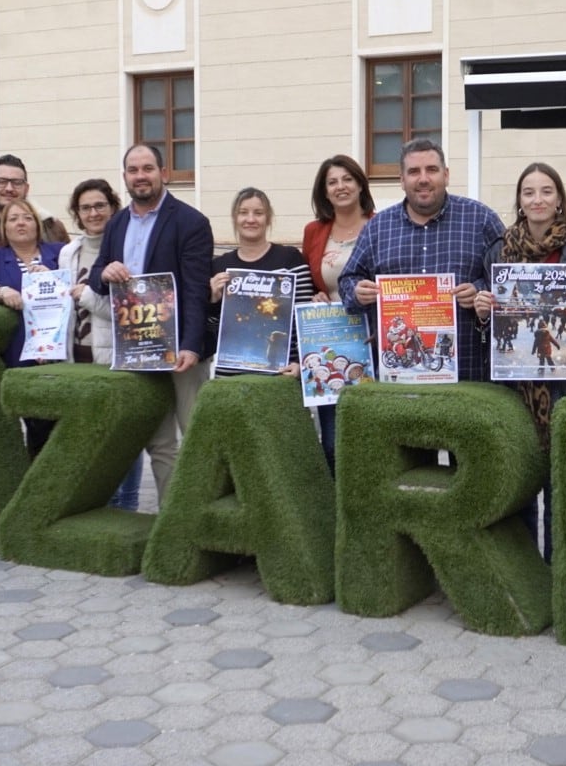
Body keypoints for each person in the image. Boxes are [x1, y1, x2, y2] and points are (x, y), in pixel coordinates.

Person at [472, 163, 566, 560]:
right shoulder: (497, 251)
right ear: (519, 201)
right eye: (529, 192)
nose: (538, 200)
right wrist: (482, 310)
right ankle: (525, 565)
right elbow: (488, 326)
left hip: (564, 384)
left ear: (559, 199)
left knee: (560, 484)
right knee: (519, 478)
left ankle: (557, 568)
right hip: (513, 385)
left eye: (546, 191)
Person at [87, 142, 215, 503]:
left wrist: (190, 345)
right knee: (159, 443)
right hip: (138, 350)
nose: (140, 176)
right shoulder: (117, 224)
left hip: (180, 351)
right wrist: (106, 271)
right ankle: (171, 519)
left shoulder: (191, 222)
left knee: (197, 436)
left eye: (147, 168)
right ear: (125, 177)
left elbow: (195, 290)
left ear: (164, 173)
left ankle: (203, 513)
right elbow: (98, 275)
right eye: (133, 170)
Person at [339, 139, 504, 384]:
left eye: (432, 170)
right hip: (397, 379)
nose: (423, 179)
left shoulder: (481, 220)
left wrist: (480, 290)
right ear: (402, 180)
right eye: (414, 172)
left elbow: (507, 279)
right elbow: (347, 279)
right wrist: (357, 291)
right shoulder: (377, 228)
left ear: (446, 175)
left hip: (468, 374)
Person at [61, 178, 144, 511]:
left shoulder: (127, 250)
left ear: (112, 208)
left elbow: (138, 311)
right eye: (85, 208)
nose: (93, 213)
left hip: (112, 357)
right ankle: (100, 508)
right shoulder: (69, 252)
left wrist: (90, 299)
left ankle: (127, 508)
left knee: (122, 439)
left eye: (100, 206)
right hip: (76, 358)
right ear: (77, 214)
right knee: (91, 439)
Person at [0, 199, 69, 455]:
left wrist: (51, 277)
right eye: (13, 219)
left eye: (26, 217)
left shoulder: (60, 253)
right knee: (37, 431)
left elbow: (77, 287)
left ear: (37, 224)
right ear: (4, 228)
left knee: (65, 430)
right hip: (18, 356)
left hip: (61, 356)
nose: (20, 223)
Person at [303, 156, 377, 469]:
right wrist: (312, 295)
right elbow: (306, 280)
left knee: (371, 436)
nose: (340, 186)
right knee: (333, 442)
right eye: (332, 182)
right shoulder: (314, 231)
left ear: (360, 184)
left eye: (347, 179)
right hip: (330, 342)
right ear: (325, 191)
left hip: (372, 343)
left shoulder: (381, 224)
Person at [209, 188, 314, 373]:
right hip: (230, 374)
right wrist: (212, 300)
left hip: (282, 371)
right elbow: (211, 328)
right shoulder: (219, 266)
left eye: (258, 213)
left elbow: (304, 318)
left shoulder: (290, 259)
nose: (250, 219)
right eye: (243, 213)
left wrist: (301, 362)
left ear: (268, 219)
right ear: (235, 218)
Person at [0, 154, 69, 254]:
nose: (9, 188)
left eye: (17, 182)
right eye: (1, 181)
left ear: (26, 189)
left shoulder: (52, 227)